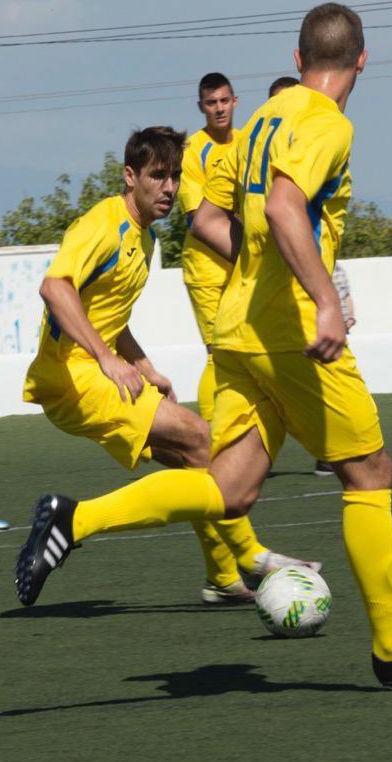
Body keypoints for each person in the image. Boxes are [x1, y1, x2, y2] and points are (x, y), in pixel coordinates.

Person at [15, 4, 392, 687]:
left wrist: (261, 273)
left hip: (235, 330)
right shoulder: (326, 122)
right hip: (289, 335)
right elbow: (288, 207)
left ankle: (73, 519)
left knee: (227, 486)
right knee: (370, 472)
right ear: (362, 60)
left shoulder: (260, 122)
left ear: (296, 60)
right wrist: (323, 298)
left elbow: (206, 217)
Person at [20, 125, 317, 608]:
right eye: (158, 176)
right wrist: (107, 361)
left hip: (91, 371)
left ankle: (224, 577)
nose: (170, 188)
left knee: (192, 460)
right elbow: (56, 289)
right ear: (130, 176)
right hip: (72, 377)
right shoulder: (105, 224)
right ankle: (70, 521)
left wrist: (143, 365)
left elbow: (106, 315)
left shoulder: (146, 238)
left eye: (176, 176)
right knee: (202, 438)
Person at [178, 72, 319, 602]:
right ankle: (217, 447)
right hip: (211, 268)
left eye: (223, 101)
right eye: (209, 103)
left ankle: (228, 445)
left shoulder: (249, 138)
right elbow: (202, 221)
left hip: (248, 266)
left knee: (246, 358)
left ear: (235, 102)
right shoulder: (196, 151)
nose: (218, 109)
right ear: (202, 106)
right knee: (226, 353)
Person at [314, 261, 355, 476]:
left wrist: (350, 318)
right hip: (323, 337)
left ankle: (331, 455)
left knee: (339, 393)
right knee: (328, 394)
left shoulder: (338, 269)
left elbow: (346, 295)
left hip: (340, 336)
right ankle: (327, 455)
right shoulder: (312, 265)